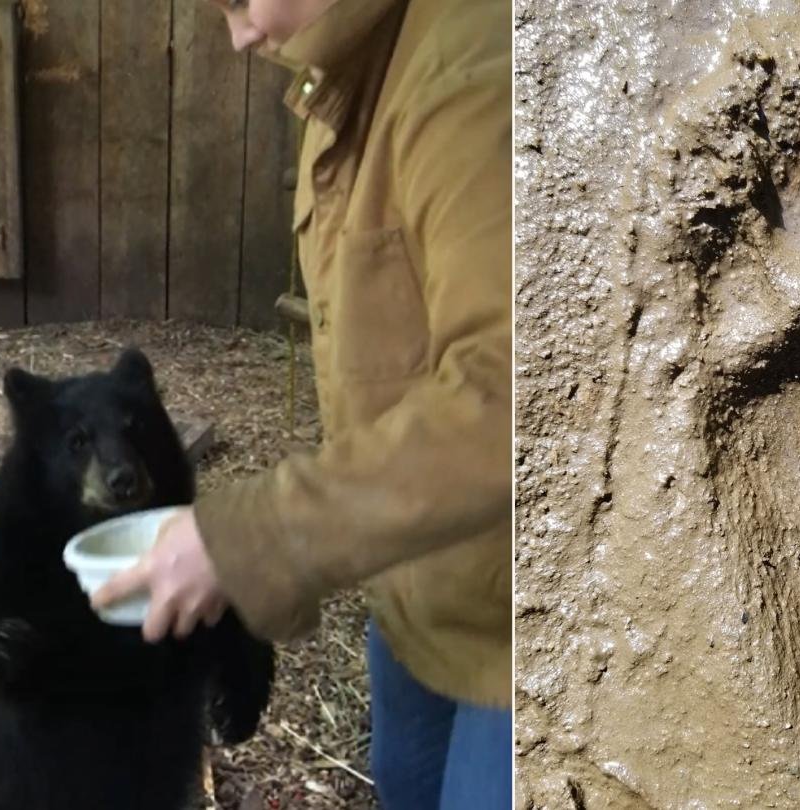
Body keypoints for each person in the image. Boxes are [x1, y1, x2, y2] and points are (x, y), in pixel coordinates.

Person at [91, 0, 511, 807]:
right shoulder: (346, 79)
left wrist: (252, 538)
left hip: (518, 627)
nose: (240, 34)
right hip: (418, 588)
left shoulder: (471, 79)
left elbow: (512, 393)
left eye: (241, 3)